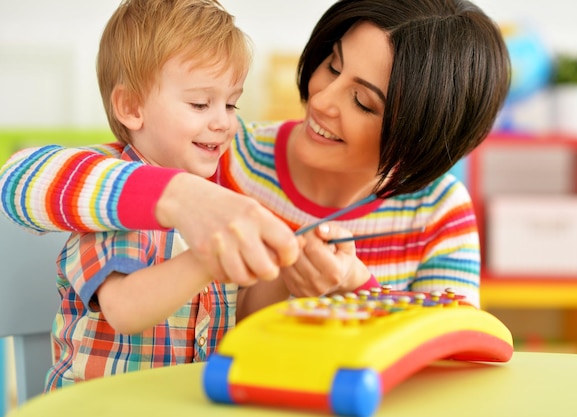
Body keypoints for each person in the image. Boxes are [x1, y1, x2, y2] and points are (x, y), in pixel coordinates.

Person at [0, 0, 509, 318]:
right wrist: (181, 198)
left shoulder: (439, 210)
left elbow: (459, 354)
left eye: (363, 102)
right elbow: (17, 181)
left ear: (420, 132)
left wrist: (356, 288)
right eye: (331, 66)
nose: (323, 100)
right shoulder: (218, 153)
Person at [30, 0, 303, 392]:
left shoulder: (218, 197)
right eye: (199, 103)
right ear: (131, 107)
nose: (222, 121)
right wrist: (210, 256)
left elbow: (241, 314)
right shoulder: (112, 198)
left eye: (230, 103)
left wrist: (287, 266)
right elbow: (123, 309)